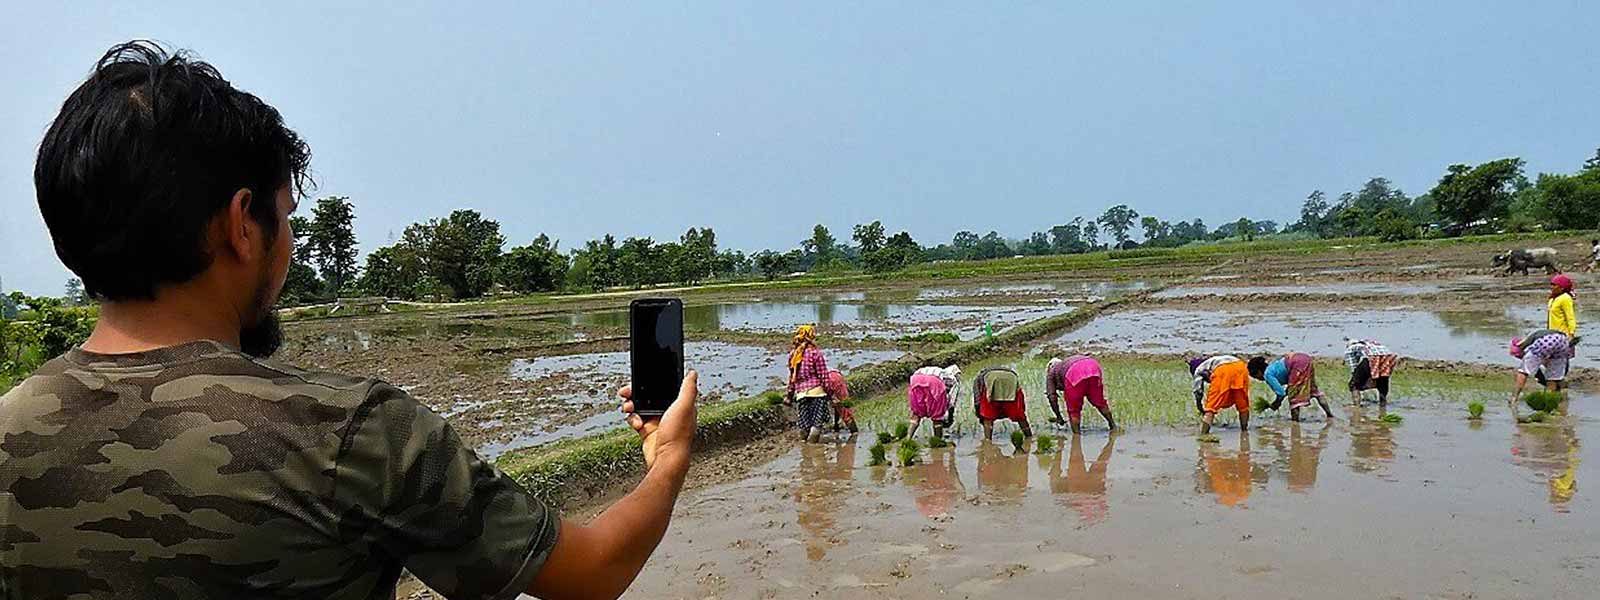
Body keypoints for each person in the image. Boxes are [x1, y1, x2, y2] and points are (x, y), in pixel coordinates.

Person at [1, 41, 697, 600]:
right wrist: (666, 465)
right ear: (243, 225)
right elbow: (591, 572)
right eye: (288, 219)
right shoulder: (349, 432)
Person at [1249, 353, 1336, 423]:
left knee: (1294, 398)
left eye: (1256, 377)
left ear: (1259, 372)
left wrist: (1276, 403)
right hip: (1305, 359)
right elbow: (1288, 387)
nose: (1259, 380)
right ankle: (1330, 415)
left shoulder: (1267, 375)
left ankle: (1295, 423)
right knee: (1314, 391)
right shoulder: (1272, 367)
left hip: (1296, 364)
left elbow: (1281, 393)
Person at [1044, 355, 1117, 434]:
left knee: (1074, 411)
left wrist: (1059, 417)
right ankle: (1113, 426)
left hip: (1074, 373)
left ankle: (1076, 438)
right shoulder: (1065, 364)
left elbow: (1051, 397)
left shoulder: (1051, 372)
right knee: (1100, 403)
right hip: (1093, 366)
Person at [787, 324, 832, 443]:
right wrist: (830, 392)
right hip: (817, 392)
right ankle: (813, 448)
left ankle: (804, 448)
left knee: (804, 424)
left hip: (801, 394)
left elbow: (792, 377)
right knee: (816, 423)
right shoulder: (815, 353)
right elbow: (823, 375)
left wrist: (789, 394)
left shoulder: (793, 355)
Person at [1188, 355, 1250, 434]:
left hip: (1223, 370)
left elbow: (1198, 391)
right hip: (1241, 367)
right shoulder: (1212, 362)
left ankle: (1203, 435)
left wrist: (1200, 406)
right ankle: (1244, 431)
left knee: (1211, 408)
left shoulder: (1198, 369)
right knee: (1242, 404)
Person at [1511, 328, 1576, 402]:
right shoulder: (1546, 333)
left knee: (1524, 372)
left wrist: (1519, 349)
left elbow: (1520, 345)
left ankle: (1514, 398)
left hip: (1547, 341)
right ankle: (1549, 400)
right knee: (1552, 378)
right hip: (1563, 343)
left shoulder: (1528, 340)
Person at [972, 365, 1032, 438]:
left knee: (988, 416)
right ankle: (1029, 436)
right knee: (1019, 415)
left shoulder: (978, 379)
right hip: (1012, 379)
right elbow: (1021, 401)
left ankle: (988, 442)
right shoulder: (1009, 372)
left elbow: (977, 400)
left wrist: (980, 415)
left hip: (992, 383)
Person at [907, 365, 959, 438]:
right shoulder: (952, 378)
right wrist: (949, 418)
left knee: (916, 413)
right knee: (937, 415)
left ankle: (907, 439)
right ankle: (937, 440)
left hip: (915, 379)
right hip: (934, 381)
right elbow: (951, 402)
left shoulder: (940, 371)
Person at [1344, 338, 1399, 405]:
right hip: (1389, 356)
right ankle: (1383, 405)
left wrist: (1356, 378)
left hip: (1373, 356)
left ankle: (1356, 406)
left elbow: (1353, 367)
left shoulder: (1350, 349)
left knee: (1353, 384)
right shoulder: (1368, 343)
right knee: (1382, 382)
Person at [824, 368, 857, 434]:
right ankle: (854, 432)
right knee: (844, 408)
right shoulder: (835, 375)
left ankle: (853, 433)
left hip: (823, 380)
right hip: (836, 377)